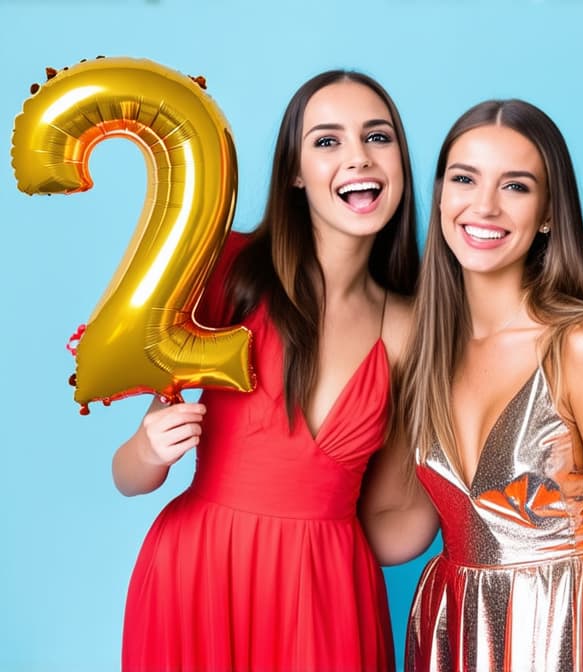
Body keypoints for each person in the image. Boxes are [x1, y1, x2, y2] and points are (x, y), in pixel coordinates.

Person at [112, 69, 419, 672]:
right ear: (295, 174)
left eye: (377, 138)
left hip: (329, 593)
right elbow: (128, 477)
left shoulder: (413, 326)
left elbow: (392, 529)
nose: (358, 158)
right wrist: (149, 449)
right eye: (328, 141)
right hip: (197, 579)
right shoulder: (227, 273)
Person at [359, 99, 583, 671]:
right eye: (464, 178)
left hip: (561, 631)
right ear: (442, 195)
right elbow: (397, 529)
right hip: (453, 631)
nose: (485, 205)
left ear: (548, 213)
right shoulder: (424, 352)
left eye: (516, 187)